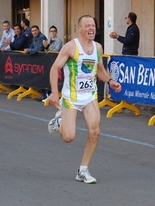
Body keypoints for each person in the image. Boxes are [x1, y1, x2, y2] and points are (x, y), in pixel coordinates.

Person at [47, 15, 122, 184]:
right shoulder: (70, 47)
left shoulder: (98, 48)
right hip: (71, 98)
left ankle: (83, 170)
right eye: (87, 25)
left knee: (95, 131)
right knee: (68, 137)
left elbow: (100, 69)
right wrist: (54, 92)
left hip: (89, 96)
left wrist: (110, 81)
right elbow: (54, 68)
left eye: (93, 25)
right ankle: (60, 122)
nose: (91, 28)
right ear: (79, 28)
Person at [40, 25, 63, 101]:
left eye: (54, 31)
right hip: (48, 61)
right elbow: (45, 50)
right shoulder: (48, 40)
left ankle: (51, 94)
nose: (52, 32)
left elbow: (55, 50)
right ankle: (45, 95)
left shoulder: (58, 40)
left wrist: (48, 46)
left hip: (55, 60)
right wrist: (45, 47)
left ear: (56, 32)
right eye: (51, 31)